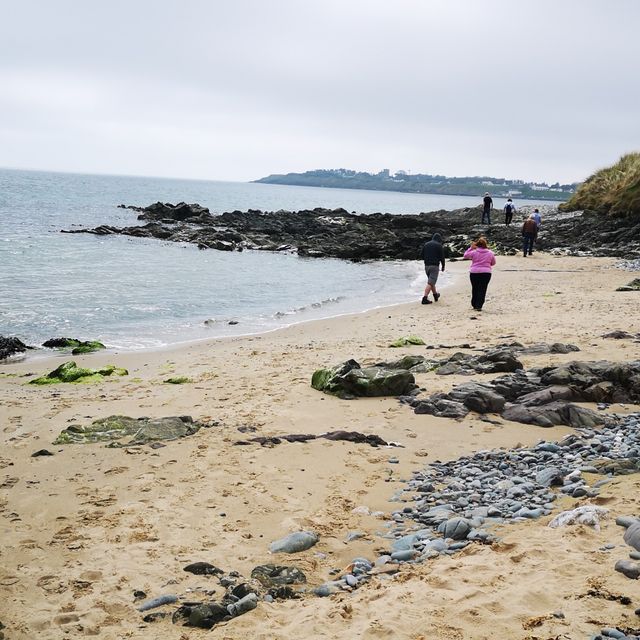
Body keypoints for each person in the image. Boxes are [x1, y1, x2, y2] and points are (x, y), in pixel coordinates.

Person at [463, 237, 496, 311]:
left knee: (475, 288)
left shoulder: (474, 252)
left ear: (477, 245)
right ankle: (479, 305)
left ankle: (474, 304)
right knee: (482, 289)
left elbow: (465, 255)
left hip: (474, 272)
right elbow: (493, 263)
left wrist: (471, 248)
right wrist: (487, 264)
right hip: (486, 273)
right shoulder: (490, 253)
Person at [420, 233, 445, 304]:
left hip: (426, 266)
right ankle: (425, 298)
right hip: (434, 266)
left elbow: (421, 255)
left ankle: (435, 295)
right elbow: (442, 257)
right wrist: (443, 266)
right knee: (431, 282)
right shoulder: (439, 245)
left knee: (431, 281)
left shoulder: (426, 244)